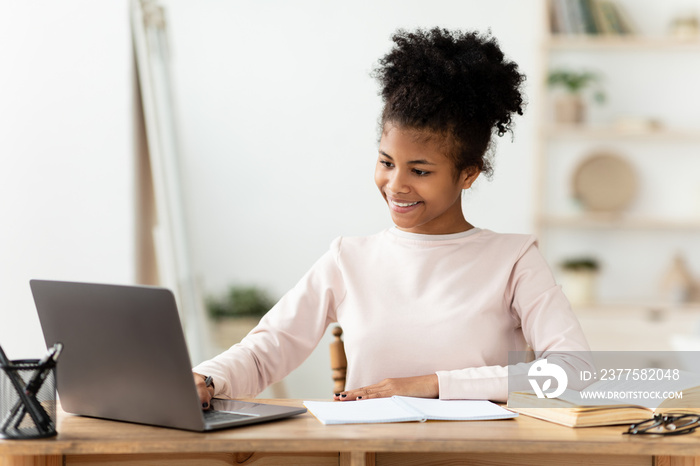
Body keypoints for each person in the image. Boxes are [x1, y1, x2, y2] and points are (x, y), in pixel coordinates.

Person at [193, 27, 592, 409]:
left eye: (420, 171)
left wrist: (432, 385)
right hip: (367, 452)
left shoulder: (514, 259)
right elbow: (267, 349)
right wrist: (207, 380)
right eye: (386, 162)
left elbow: (575, 373)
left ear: (468, 173)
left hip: (476, 454)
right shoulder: (348, 259)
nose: (395, 185)